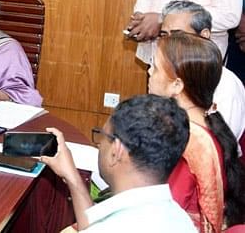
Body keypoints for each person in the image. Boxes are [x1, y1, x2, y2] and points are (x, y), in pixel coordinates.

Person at [40, 95, 195, 232]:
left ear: (117, 150)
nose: (99, 145)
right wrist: (72, 177)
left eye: (103, 136)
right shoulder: (181, 220)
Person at [149, 32, 245, 230]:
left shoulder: (189, 140)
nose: (150, 72)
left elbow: (167, 212)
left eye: (155, 68)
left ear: (177, 85)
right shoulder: (205, 123)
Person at [161, 0, 245, 156]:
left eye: (178, 35)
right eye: (163, 35)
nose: (168, 43)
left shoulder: (225, 84)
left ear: (204, 35)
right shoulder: (164, 76)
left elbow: (218, 151)